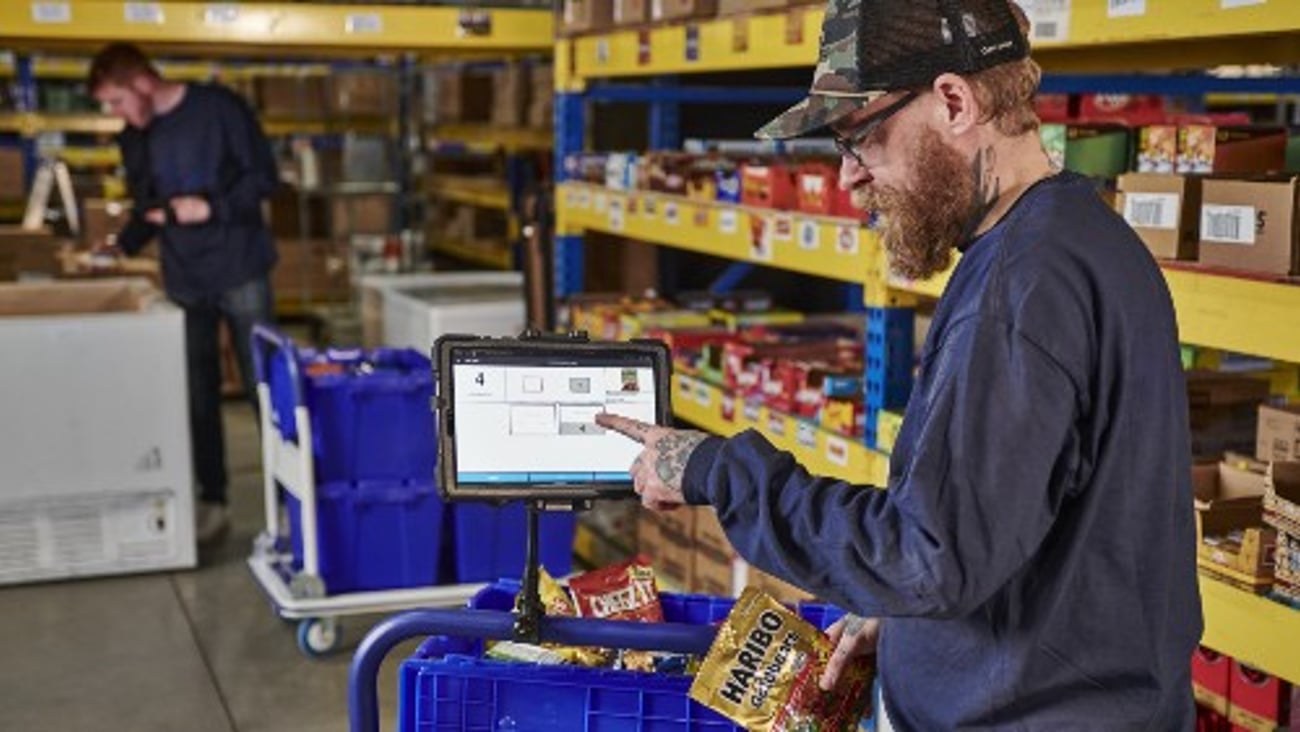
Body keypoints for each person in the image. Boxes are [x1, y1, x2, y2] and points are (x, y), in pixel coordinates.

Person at [597, 0, 1201, 728]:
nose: (849, 178)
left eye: (862, 138)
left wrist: (716, 471)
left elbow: (930, 557)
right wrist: (916, 626)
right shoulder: (1081, 237)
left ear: (953, 100)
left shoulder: (1019, 290)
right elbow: (1024, 528)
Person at [89, 43, 279, 544]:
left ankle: (289, 503)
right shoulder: (137, 135)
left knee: (266, 388)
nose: (115, 114)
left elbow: (264, 179)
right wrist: (118, 246)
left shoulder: (219, 109)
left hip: (239, 268)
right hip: (185, 277)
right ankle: (213, 501)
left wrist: (209, 208)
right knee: (197, 395)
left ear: (142, 84)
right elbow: (148, 205)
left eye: (116, 101)